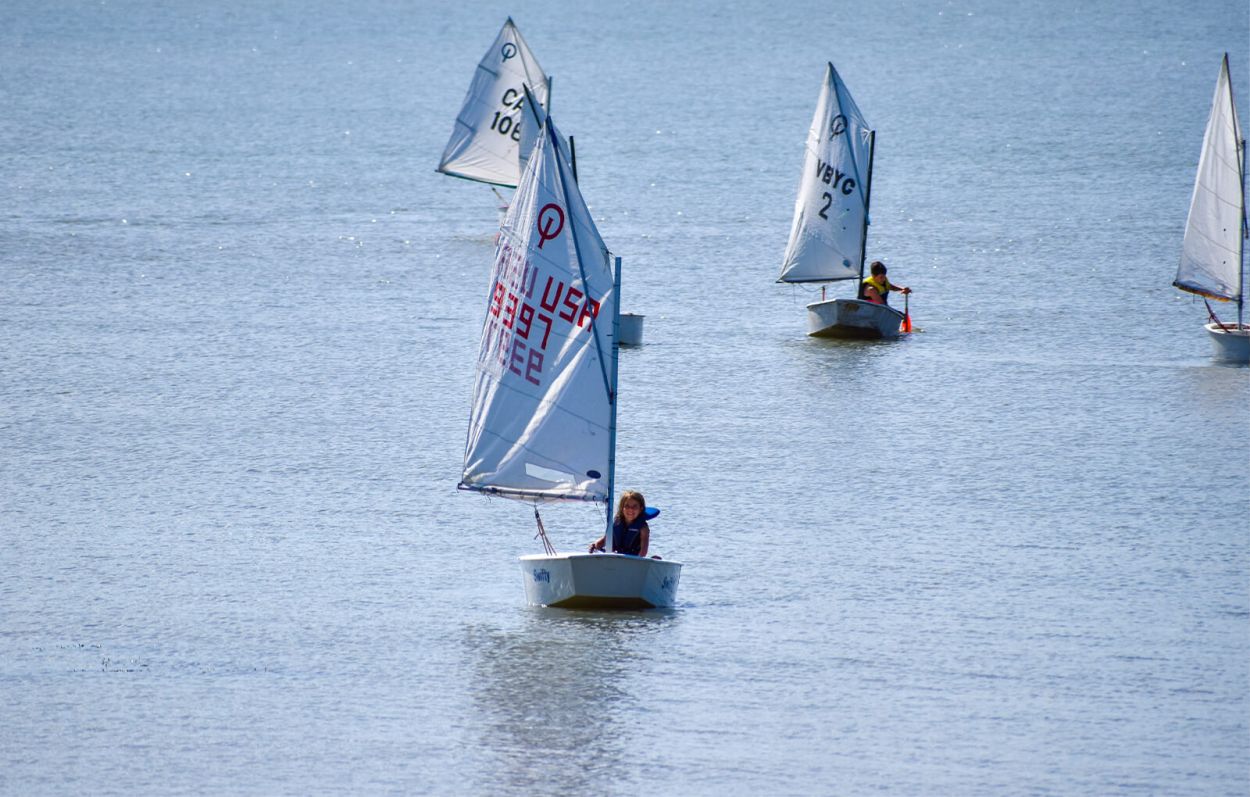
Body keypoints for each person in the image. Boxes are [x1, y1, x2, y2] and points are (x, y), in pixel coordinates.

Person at [588, 490, 650, 557]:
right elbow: (603, 541)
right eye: (627, 506)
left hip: (633, 559)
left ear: (641, 509)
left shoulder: (643, 528)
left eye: (634, 506)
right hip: (615, 557)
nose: (630, 509)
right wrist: (594, 545)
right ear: (622, 508)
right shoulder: (617, 523)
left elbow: (643, 552)